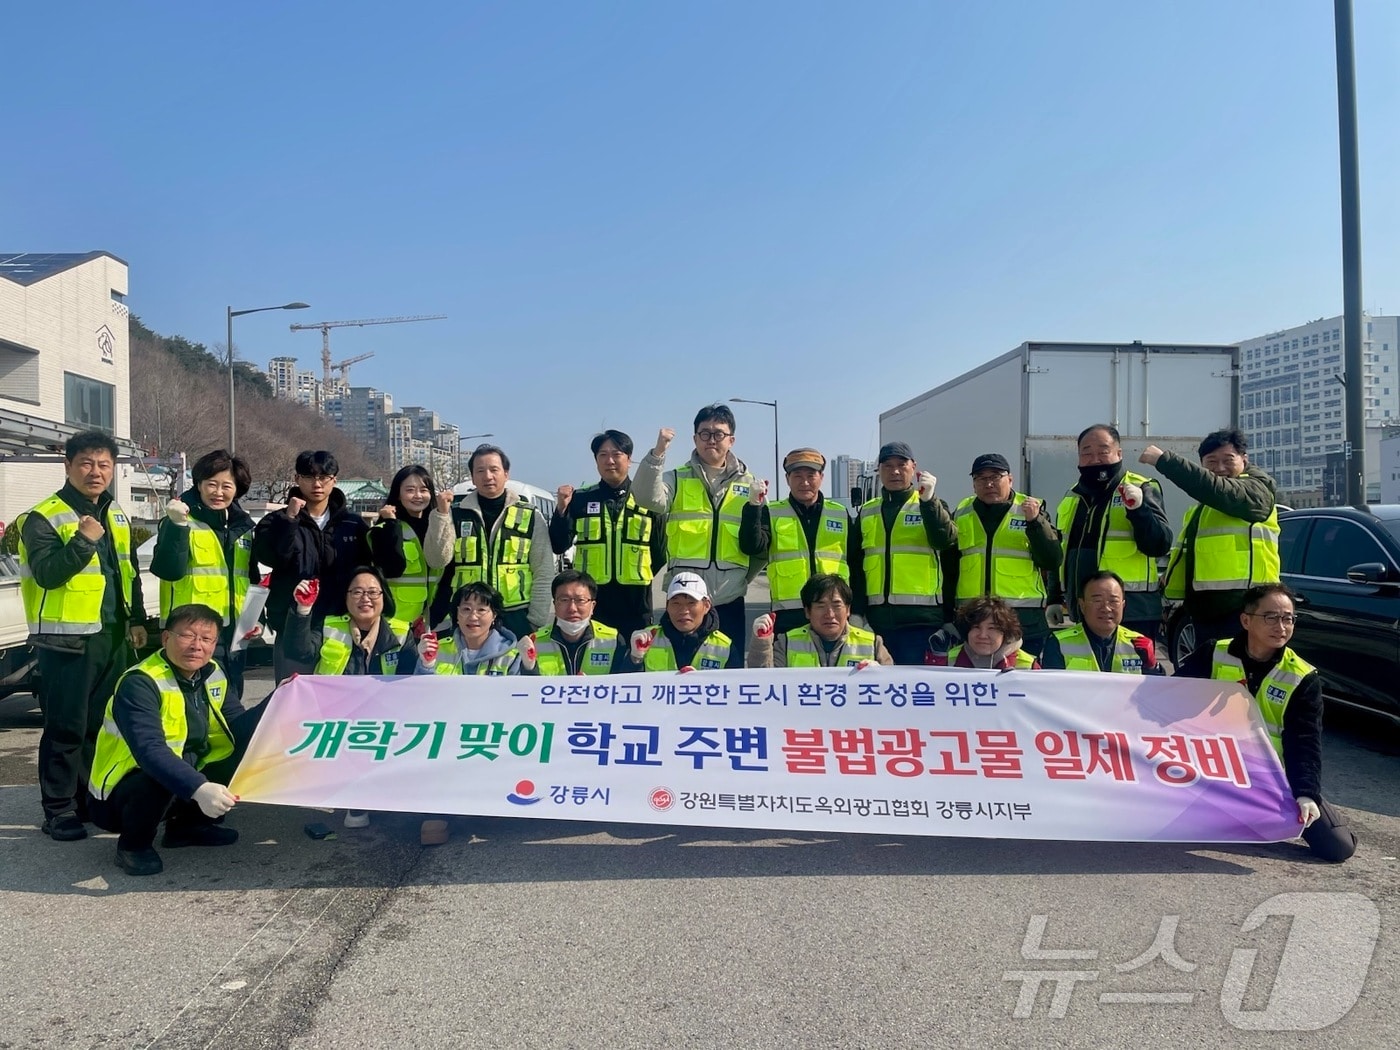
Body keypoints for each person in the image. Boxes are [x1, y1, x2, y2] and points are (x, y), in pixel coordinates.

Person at [18, 429, 149, 842]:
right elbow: (48, 573)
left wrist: (136, 618)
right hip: (66, 641)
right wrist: (83, 540)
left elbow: (128, 572)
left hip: (112, 635)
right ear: (68, 466)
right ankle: (58, 809)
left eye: (104, 464)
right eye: (87, 464)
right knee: (66, 727)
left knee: (99, 723)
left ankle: (87, 799)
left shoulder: (116, 514)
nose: (96, 472)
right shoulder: (43, 517)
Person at [1176, 584, 1355, 863]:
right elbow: (1170, 698)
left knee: (1337, 847)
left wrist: (1306, 794)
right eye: (1271, 617)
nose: (1281, 627)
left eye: (1288, 618)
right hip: (1213, 770)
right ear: (1246, 620)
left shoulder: (1301, 676)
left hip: (1272, 778)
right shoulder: (1213, 653)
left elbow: (1305, 741)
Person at [86, 604, 239, 876]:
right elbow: (150, 750)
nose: (197, 646)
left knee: (240, 748)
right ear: (166, 638)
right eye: (187, 636)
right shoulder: (141, 682)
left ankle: (187, 828)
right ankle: (133, 846)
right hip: (120, 795)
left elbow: (238, 723)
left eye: (206, 639)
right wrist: (200, 788)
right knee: (156, 773)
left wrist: (278, 700)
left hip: (182, 777)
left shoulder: (213, 672)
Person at [281, 566, 413, 830]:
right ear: (346, 597)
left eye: (373, 592)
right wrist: (303, 610)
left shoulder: (402, 631)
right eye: (357, 592)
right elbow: (298, 651)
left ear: (384, 597)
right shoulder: (330, 626)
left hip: (387, 714)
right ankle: (356, 799)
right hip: (337, 716)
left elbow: (413, 682)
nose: (366, 599)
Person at [633, 404, 764, 668]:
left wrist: (741, 579)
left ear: (731, 440)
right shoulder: (677, 478)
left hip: (728, 600)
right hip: (684, 600)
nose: (711, 440)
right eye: (705, 433)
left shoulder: (750, 484)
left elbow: (760, 546)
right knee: (675, 670)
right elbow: (646, 497)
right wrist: (658, 453)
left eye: (719, 434)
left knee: (729, 674)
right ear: (695, 439)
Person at [1146, 429, 1281, 652]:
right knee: (1211, 669)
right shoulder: (1203, 508)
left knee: (1239, 670)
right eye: (1211, 461)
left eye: (1228, 460)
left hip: (1248, 608)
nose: (1219, 468)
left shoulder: (1256, 491)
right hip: (1207, 611)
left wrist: (1165, 461)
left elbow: (1219, 489)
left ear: (1244, 459)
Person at [252, 450, 371, 681]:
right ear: (297, 479)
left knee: (341, 693)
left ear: (334, 480)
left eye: (324, 477)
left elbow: (368, 570)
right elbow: (270, 558)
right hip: (292, 623)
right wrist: (290, 521)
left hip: (341, 623)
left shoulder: (352, 524)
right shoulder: (276, 521)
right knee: (293, 692)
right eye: (309, 477)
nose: (317, 484)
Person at [150, 448, 258, 694]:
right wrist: (177, 526)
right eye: (211, 484)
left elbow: (250, 579)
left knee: (230, 697)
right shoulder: (179, 520)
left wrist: (255, 620)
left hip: (234, 633)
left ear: (237, 490)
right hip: (190, 633)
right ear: (198, 484)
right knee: (194, 699)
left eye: (226, 486)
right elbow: (168, 570)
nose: (218, 492)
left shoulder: (242, 528)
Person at [1052, 424, 1173, 639]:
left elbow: (1159, 544)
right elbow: (1060, 550)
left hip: (1133, 611)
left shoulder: (1141, 487)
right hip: (1084, 610)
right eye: (1087, 453)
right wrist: (1054, 597)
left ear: (1119, 453)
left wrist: (1139, 509)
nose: (1095, 459)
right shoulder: (1072, 496)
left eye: (1103, 451)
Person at [549, 430, 666, 638]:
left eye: (616, 454)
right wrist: (561, 510)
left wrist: (635, 572)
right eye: (602, 455)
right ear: (596, 460)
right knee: (594, 655)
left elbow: (659, 552)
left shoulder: (646, 499)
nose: (609, 461)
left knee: (636, 654)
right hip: (593, 601)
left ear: (629, 459)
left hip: (636, 602)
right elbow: (559, 545)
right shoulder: (581, 499)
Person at [433, 443, 553, 640]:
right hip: (468, 616)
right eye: (480, 471)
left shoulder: (530, 515)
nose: (487, 476)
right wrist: (441, 516)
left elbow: (544, 570)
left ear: (506, 474)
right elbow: (436, 560)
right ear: (473, 477)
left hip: (516, 616)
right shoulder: (456, 514)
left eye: (494, 469)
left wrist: (535, 620)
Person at [854, 441, 958, 665]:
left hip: (921, 623)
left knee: (916, 683)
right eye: (888, 466)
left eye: (901, 465)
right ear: (879, 470)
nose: (895, 471)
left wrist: (929, 501)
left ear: (914, 467)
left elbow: (945, 542)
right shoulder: (867, 511)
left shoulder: (930, 505)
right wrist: (857, 612)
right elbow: (855, 565)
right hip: (877, 622)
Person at [949, 453, 1061, 659]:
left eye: (995, 476)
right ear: (973, 484)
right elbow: (949, 567)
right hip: (974, 620)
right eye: (981, 478)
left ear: (1010, 479)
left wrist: (1035, 522)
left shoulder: (1031, 509)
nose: (988, 483)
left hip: (1023, 618)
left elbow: (1052, 560)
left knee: (1025, 674)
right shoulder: (961, 513)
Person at [739, 448, 860, 635]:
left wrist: (857, 611)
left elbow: (856, 563)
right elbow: (751, 547)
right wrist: (754, 506)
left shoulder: (839, 513)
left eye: (811, 476)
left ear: (821, 477)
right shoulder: (772, 512)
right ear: (787, 479)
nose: (804, 482)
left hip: (833, 612)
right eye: (797, 476)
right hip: (789, 613)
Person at [369, 465, 454, 626]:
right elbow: (391, 569)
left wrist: (435, 616)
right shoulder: (384, 529)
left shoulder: (438, 526)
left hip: (434, 620)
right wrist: (391, 523)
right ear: (398, 494)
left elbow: (448, 575)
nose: (418, 496)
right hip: (396, 620)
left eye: (424, 490)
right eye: (410, 490)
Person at [747, 574, 892, 668]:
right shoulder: (787, 642)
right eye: (821, 606)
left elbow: (893, 687)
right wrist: (761, 642)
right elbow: (763, 681)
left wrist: (879, 674)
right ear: (807, 611)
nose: (830, 614)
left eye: (836, 605)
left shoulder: (873, 644)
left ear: (848, 610)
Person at [1041, 571, 1164, 674]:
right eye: (1097, 601)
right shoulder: (1059, 643)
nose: (1106, 608)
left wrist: (1153, 667)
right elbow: (1049, 688)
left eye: (1113, 601)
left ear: (1123, 605)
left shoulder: (1138, 644)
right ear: (1082, 605)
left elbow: (1156, 690)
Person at [519, 570, 623, 675]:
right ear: (554, 605)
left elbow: (625, 680)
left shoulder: (613, 640)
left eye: (580, 600)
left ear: (592, 606)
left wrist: (633, 658)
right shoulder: (535, 642)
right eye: (564, 600)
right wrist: (528, 668)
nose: (572, 608)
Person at [626, 572, 732, 671]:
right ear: (667, 606)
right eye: (676, 603)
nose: (683, 611)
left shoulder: (725, 647)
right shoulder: (647, 638)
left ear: (706, 605)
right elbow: (624, 682)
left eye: (691, 603)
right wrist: (635, 658)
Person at [413, 582, 523, 677]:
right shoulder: (437, 650)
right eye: (466, 609)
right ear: (457, 613)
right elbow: (421, 691)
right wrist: (427, 665)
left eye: (481, 610)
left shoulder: (512, 655)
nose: (473, 617)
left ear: (494, 615)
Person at [926, 596, 1040, 670]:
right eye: (976, 627)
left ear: (1005, 633)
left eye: (992, 628)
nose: (982, 635)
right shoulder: (948, 660)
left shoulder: (1029, 666)